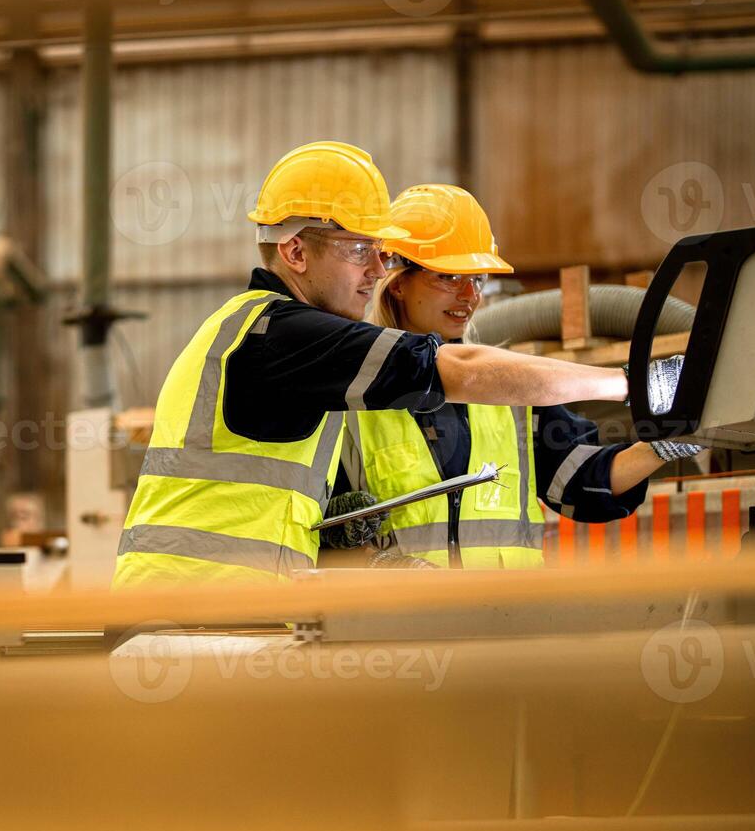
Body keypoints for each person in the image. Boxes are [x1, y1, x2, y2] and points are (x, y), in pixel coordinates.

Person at [111, 141, 667, 589]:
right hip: (200, 610)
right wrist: (632, 384)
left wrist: (671, 440)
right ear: (296, 253)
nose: (375, 269)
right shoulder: (281, 335)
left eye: (379, 251)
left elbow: (580, 481)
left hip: (226, 609)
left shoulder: (269, 335)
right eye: (359, 251)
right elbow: (458, 371)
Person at [337, 183, 700, 569]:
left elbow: (584, 481)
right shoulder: (351, 392)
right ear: (397, 283)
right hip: (398, 622)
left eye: (477, 279)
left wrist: (664, 445)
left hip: (507, 621)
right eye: (449, 277)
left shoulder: (510, 390)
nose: (469, 295)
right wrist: (362, 557)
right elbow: (318, 525)